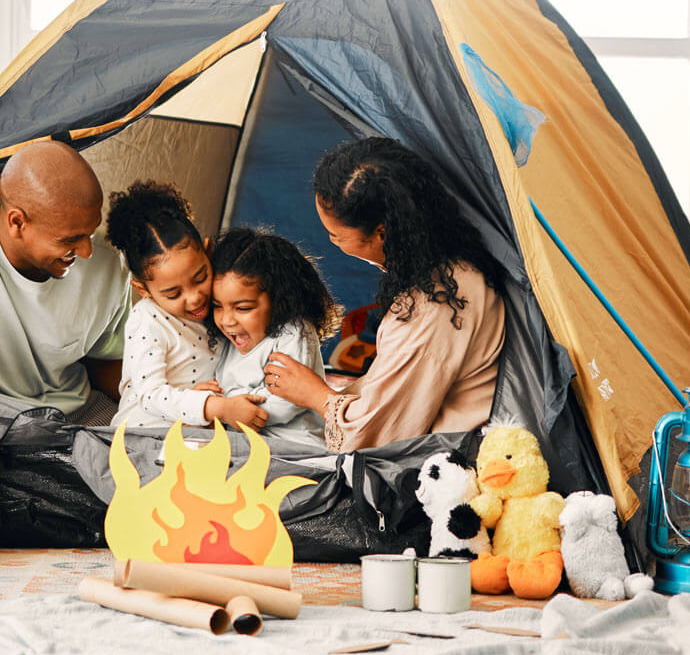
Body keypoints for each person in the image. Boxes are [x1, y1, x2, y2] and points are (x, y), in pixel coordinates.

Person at [264, 137, 507, 452]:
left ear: (381, 233)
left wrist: (315, 395)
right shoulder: (450, 261)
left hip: (447, 461)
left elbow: (375, 436)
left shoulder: (436, 305)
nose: (332, 242)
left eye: (336, 236)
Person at [0, 140, 131, 426]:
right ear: (17, 222)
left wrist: (161, 402)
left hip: (78, 414)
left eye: (90, 233)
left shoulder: (109, 264)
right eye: (70, 239)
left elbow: (107, 360)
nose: (86, 251)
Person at [104, 181, 267, 430]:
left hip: (202, 427)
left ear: (208, 252)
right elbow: (150, 395)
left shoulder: (221, 301)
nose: (194, 298)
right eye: (173, 294)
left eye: (200, 278)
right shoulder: (147, 320)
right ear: (143, 290)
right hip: (145, 433)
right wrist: (214, 406)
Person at [205, 226, 338, 444]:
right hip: (242, 442)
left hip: (294, 448)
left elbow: (286, 403)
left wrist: (227, 408)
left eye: (243, 308)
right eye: (217, 306)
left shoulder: (294, 331)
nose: (227, 320)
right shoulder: (229, 340)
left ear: (278, 301)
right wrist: (216, 404)